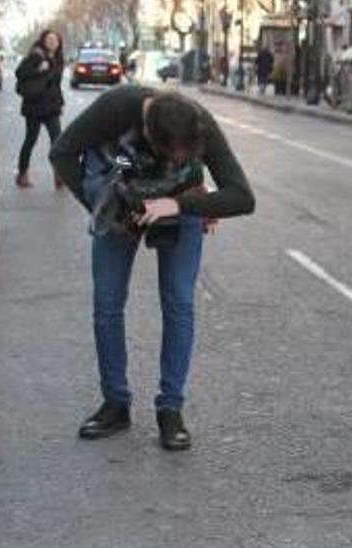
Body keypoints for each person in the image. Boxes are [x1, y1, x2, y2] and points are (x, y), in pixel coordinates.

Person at [49, 86, 255, 451]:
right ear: (148, 134)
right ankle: (115, 403)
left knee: (179, 303)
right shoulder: (115, 108)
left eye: (185, 155)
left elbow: (242, 196)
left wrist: (182, 205)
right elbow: (62, 151)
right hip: (120, 202)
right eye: (170, 154)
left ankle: (170, 409)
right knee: (107, 306)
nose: (178, 158)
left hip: (180, 207)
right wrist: (101, 205)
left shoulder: (198, 122)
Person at [15, 30, 65, 188]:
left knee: (57, 141)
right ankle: (22, 174)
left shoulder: (57, 58)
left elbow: (56, 85)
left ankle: (59, 176)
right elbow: (19, 72)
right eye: (49, 39)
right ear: (43, 40)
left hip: (51, 107)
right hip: (35, 106)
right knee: (30, 140)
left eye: (55, 40)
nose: (52, 42)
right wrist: (38, 69)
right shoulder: (36, 55)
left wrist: (60, 103)